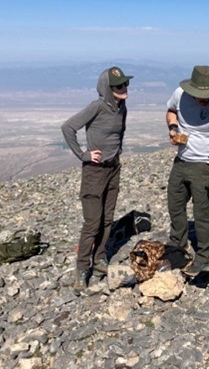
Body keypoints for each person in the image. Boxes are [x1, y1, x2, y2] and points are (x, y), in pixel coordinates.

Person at [61, 66, 133, 293]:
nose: (124, 88)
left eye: (125, 84)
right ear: (107, 88)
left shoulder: (122, 108)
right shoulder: (97, 106)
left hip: (113, 168)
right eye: (119, 85)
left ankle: (100, 258)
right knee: (92, 222)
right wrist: (83, 154)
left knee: (107, 218)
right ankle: (82, 268)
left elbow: (118, 134)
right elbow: (68, 127)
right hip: (94, 171)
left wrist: (117, 153)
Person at [166, 65, 209, 277]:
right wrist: (173, 128)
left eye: (206, 96)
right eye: (199, 96)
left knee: (202, 212)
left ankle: (204, 256)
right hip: (181, 160)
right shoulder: (179, 94)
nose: (203, 100)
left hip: (205, 164)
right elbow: (170, 111)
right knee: (174, 203)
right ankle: (178, 244)